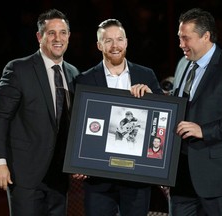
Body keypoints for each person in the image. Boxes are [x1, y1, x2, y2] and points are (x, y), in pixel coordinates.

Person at [0, 9, 80, 216]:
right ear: (40, 37)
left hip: (58, 176)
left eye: (63, 32)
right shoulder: (19, 69)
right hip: (24, 174)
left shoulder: (73, 74)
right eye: (51, 33)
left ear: (69, 36)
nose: (58, 38)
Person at [170, 8, 222, 216]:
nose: (181, 44)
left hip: (221, 179)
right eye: (179, 38)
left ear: (205, 36)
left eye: (186, 38)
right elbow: (179, 104)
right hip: (182, 176)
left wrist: (204, 131)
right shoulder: (183, 64)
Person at [75, 19, 164, 216]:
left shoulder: (146, 75)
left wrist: (151, 97)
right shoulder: (85, 79)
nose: (115, 46)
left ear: (126, 42)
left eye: (119, 39)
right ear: (99, 45)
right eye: (108, 41)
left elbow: (161, 121)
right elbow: (78, 125)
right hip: (99, 178)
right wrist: (79, 161)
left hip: (137, 177)